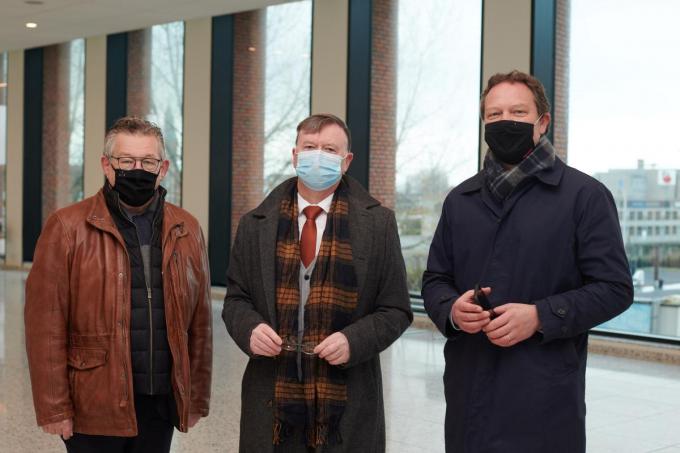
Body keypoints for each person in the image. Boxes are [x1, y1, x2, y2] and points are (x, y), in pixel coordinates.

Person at [422, 70, 633, 453]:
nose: (505, 122)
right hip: (469, 390)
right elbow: (435, 278)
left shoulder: (584, 196)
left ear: (542, 123)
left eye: (518, 112)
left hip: (544, 394)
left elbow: (615, 288)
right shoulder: (460, 200)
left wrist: (540, 315)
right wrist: (451, 309)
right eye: (494, 114)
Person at [223, 113, 412, 452]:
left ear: (346, 160)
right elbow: (236, 300)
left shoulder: (379, 225)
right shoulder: (254, 224)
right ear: (295, 155)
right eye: (310, 147)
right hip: (273, 398)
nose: (318, 156)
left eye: (329, 149)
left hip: (346, 401)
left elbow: (396, 308)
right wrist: (249, 329)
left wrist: (354, 340)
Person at [25, 117, 212, 453]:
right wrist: (54, 407)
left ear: (163, 167)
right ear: (106, 165)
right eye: (126, 161)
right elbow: (45, 326)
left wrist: (195, 397)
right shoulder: (67, 227)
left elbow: (199, 323)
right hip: (94, 403)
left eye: (147, 162)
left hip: (159, 402)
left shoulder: (187, 229)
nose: (136, 169)